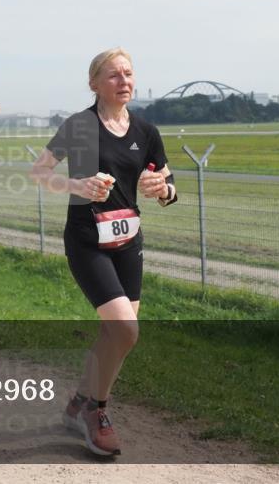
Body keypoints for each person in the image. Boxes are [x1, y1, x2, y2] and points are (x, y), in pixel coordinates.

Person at [30, 48, 177, 457]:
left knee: (116, 333)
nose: (124, 81)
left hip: (129, 242)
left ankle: (79, 402)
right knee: (126, 330)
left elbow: (169, 186)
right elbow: (39, 173)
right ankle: (97, 411)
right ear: (94, 83)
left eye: (129, 74)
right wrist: (76, 186)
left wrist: (163, 190)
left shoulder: (146, 131)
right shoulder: (78, 126)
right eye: (114, 75)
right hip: (87, 240)